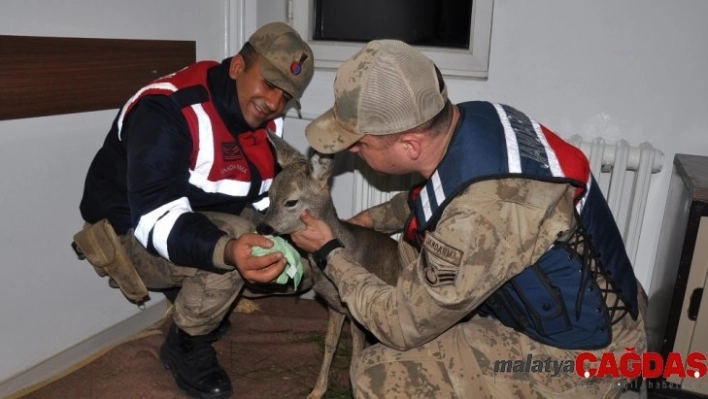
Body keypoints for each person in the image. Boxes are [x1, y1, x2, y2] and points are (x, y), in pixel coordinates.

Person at [291, 39, 648, 398]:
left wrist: (331, 252)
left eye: (360, 144)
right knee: (407, 270)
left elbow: (399, 326)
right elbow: (439, 191)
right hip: (585, 305)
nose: (353, 150)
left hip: (585, 358)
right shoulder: (475, 118)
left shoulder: (477, 217)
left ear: (410, 145)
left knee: (378, 375)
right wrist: (370, 219)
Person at [76, 22, 314, 399]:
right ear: (238, 66)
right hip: (130, 232)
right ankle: (186, 342)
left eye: (286, 96)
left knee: (299, 268)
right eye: (268, 84)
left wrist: (297, 232)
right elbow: (156, 220)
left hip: (195, 213)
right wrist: (230, 251)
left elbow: (261, 191)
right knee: (239, 245)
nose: (273, 103)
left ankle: (196, 290)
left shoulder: (265, 118)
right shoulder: (167, 110)